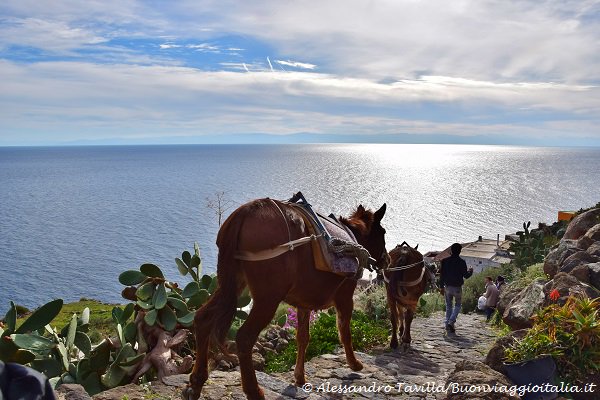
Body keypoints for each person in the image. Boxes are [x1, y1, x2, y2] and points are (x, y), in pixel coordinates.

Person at [440, 243, 473, 333]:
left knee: (448, 306)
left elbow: (442, 275)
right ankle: (451, 321)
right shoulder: (462, 262)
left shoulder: (444, 261)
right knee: (458, 305)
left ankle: (447, 324)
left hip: (447, 287)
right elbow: (466, 276)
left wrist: (441, 287)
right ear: (460, 251)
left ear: (451, 250)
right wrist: (470, 271)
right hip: (457, 288)